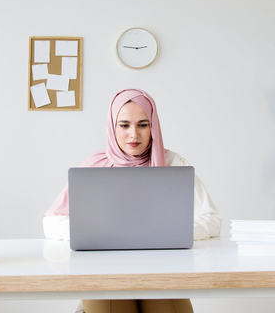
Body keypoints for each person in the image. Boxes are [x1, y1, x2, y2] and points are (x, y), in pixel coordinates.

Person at [43, 88, 222, 313]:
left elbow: (212, 220)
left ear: (153, 126)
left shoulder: (173, 164)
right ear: (112, 126)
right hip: (104, 273)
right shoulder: (94, 166)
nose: (134, 135)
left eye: (143, 125)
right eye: (124, 125)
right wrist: (99, 232)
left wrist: (167, 231)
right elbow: (51, 222)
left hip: (164, 272)